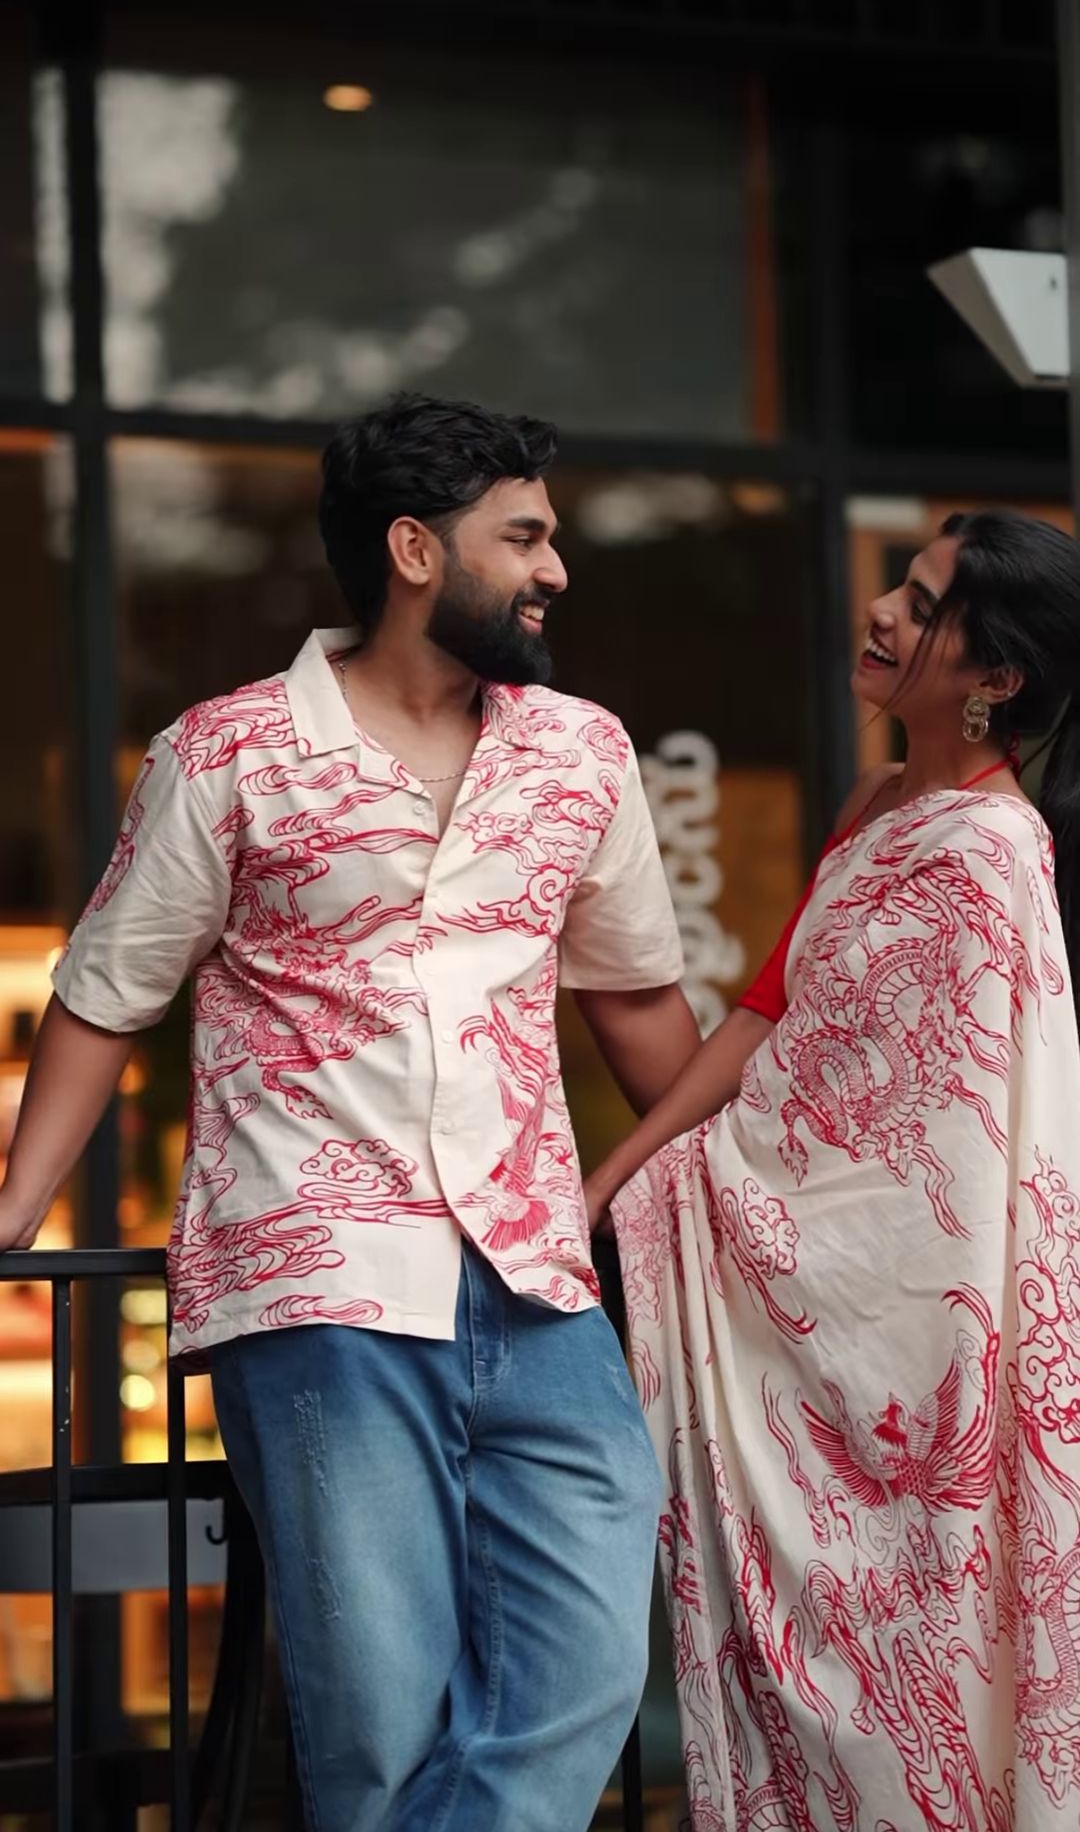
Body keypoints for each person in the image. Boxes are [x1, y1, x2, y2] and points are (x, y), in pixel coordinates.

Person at [0, 394, 701, 1832]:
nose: (556, 567)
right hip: (318, 1286)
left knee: (582, 1666)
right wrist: (11, 1211)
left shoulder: (584, 755)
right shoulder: (230, 752)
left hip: (537, 1279)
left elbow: (636, 1006)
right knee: (377, 1720)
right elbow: (107, 993)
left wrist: (739, 1190)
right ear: (415, 551)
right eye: (524, 537)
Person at [586, 511, 1080, 1832]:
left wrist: (706, 1189)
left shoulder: (992, 857)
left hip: (900, 1314)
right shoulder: (879, 809)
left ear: (997, 679)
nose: (878, 610)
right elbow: (765, 1019)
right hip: (771, 1239)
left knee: (897, 1671)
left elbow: (936, 1132)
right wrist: (618, 1183)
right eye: (897, 585)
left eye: (919, 607)